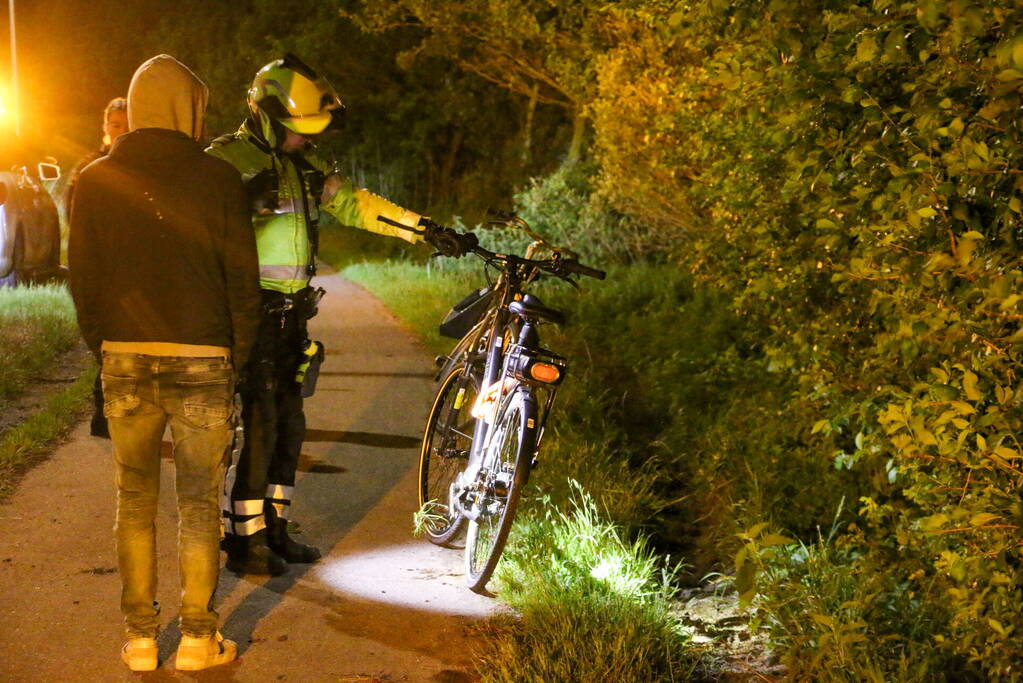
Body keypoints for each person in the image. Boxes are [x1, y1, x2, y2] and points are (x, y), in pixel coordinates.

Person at [68, 54, 261, 672]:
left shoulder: (94, 178)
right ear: (191, 109)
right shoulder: (221, 179)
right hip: (205, 357)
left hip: (124, 357)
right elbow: (242, 282)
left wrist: (103, 345)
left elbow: (84, 280)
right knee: (201, 503)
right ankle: (201, 639)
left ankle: (142, 640)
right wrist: (241, 359)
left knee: (134, 501)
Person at [206, 53, 434, 576]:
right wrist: (238, 203)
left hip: (292, 317)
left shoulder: (304, 165)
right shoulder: (225, 160)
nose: (306, 138)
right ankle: (244, 540)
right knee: (260, 424)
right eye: (296, 129)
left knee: (290, 424)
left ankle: (277, 530)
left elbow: (355, 204)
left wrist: (423, 229)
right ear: (265, 115)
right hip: (248, 315)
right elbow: (188, 227)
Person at [64, 96, 128, 440]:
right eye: (115, 125)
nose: (121, 132)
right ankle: (104, 415)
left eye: (128, 125)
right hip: (99, 273)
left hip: (131, 274)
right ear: (104, 128)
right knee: (106, 346)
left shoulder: (140, 167)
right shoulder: (90, 170)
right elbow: (77, 226)